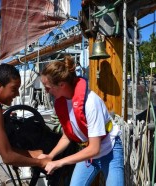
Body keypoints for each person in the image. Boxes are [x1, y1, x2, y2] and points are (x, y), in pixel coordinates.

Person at [39, 55, 124, 185]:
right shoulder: (62, 102)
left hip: (109, 149)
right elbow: (67, 136)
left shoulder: (90, 103)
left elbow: (95, 149)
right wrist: (50, 156)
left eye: (48, 87)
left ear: (61, 84)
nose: (46, 91)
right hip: (88, 153)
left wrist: (59, 162)